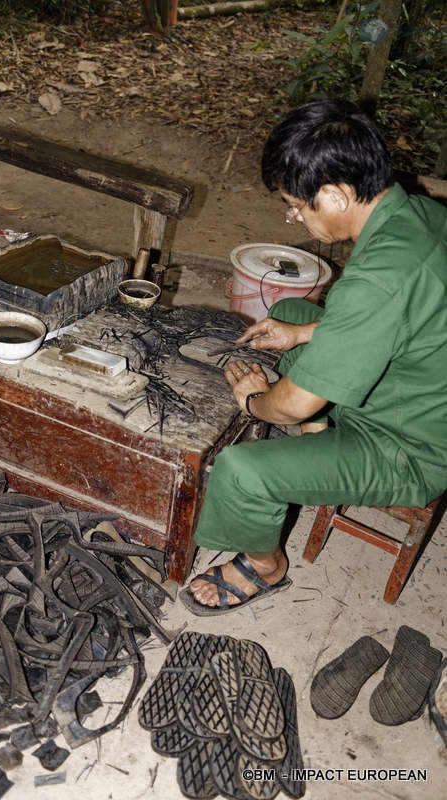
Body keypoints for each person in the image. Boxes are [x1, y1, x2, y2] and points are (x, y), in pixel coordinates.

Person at [179, 98, 447, 616]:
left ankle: (266, 567)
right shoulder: (422, 215)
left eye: (297, 206)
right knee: (291, 314)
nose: (297, 219)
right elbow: (404, 314)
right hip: (421, 384)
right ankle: (320, 443)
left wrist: (256, 402)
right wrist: (301, 337)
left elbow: (293, 404)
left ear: (336, 194)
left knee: (241, 472)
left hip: (410, 446)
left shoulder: (378, 282)